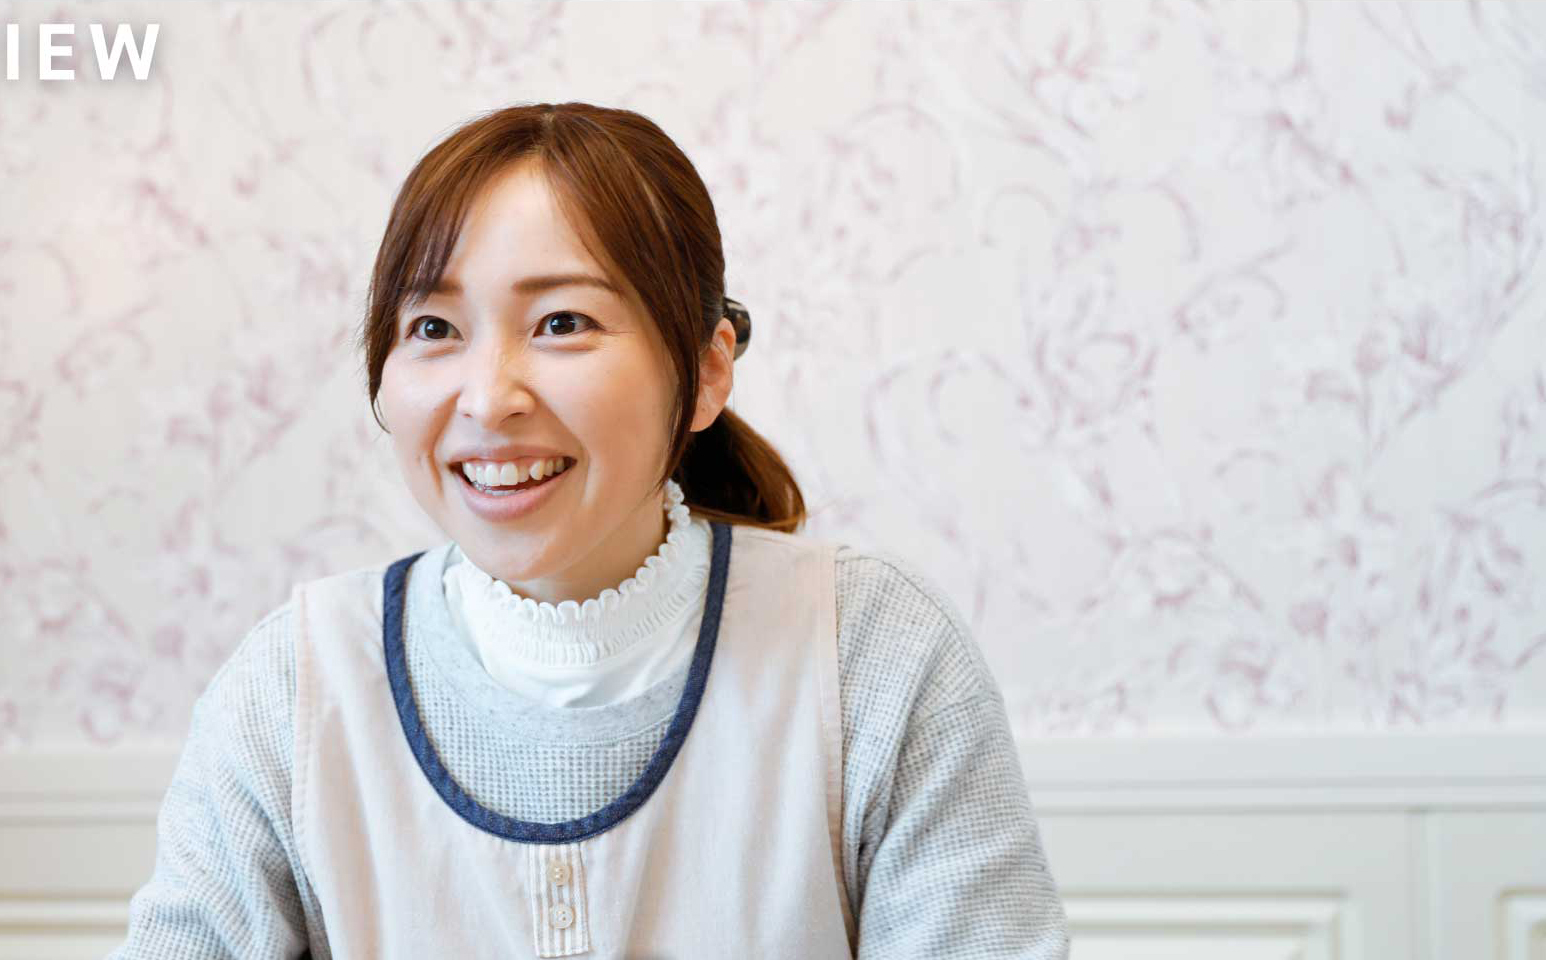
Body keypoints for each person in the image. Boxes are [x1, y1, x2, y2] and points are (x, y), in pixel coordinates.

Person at [109, 101, 1069, 958]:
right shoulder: (292, 689)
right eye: (434, 328)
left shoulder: (875, 655)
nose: (488, 398)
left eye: (563, 322)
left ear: (706, 372)